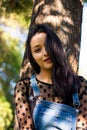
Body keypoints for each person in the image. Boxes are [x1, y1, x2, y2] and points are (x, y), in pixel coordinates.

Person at [14, 24, 87, 130]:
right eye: (37, 50)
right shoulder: (24, 88)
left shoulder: (79, 85)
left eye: (48, 45)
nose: (45, 53)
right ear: (32, 57)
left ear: (56, 46)